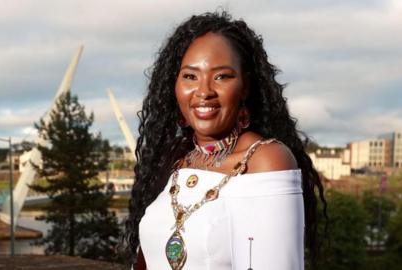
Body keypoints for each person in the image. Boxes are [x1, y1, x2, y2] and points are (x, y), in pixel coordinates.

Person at [123, 11, 326, 270]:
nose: (204, 91)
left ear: (245, 86)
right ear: (173, 85)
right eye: (190, 76)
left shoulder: (266, 160)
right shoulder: (176, 158)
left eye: (221, 76)